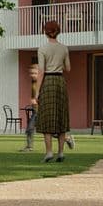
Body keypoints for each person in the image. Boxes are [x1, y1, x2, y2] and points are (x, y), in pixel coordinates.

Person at [36, 20, 74, 162]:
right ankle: (61, 152)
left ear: (45, 32)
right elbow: (68, 68)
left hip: (48, 81)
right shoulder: (64, 48)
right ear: (58, 32)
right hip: (60, 81)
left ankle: (49, 152)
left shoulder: (42, 49)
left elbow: (41, 71)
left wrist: (37, 92)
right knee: (61, 117)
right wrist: (58, 64)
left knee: (47, 118)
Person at [19, 59, 41, 151]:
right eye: (31, 73)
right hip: (36, 111)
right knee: (30, 128)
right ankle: (29, 147)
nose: (32, 75)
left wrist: (36, 100)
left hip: (42, 111)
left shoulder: (42, 83)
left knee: (50, 132)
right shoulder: (33, 83)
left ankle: (67, 139)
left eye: (34, 73)